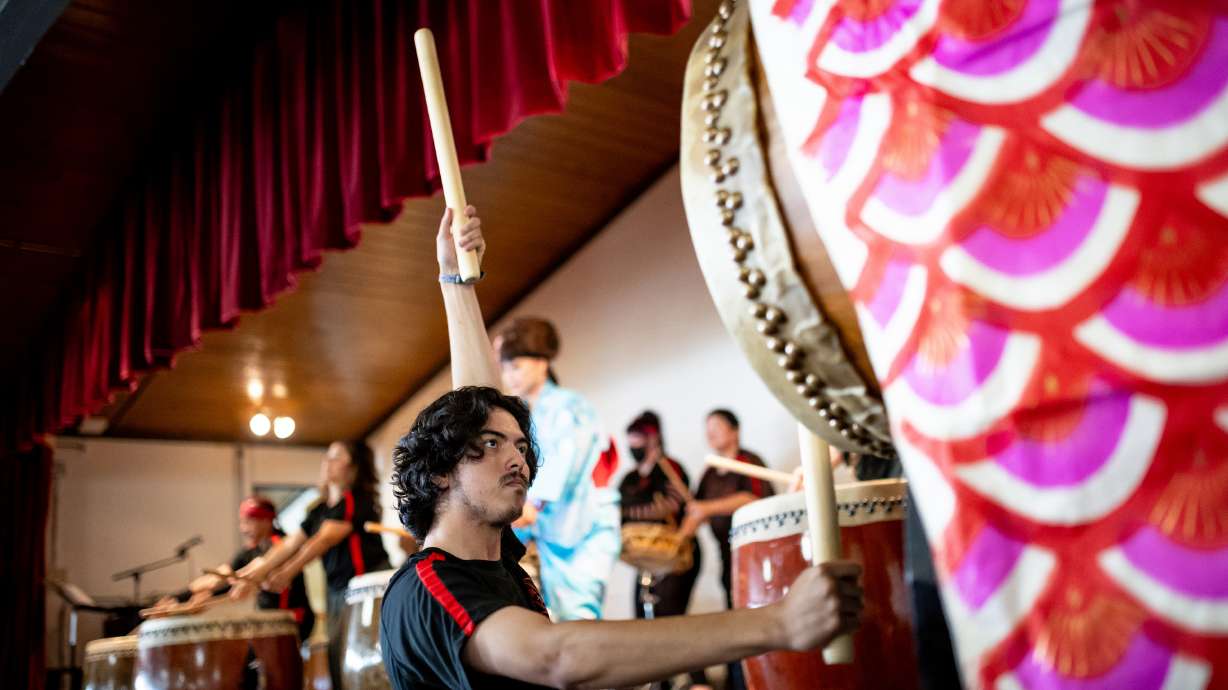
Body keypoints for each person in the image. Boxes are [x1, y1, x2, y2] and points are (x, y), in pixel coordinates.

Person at [378, 205, 863, 689]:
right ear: (440, 471)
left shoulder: (497, 562)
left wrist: (456, 281)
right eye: (491, 444)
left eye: (522, 446)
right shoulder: (430, 586)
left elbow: (477, 404)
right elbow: (558, 658)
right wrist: (778, 623)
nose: (519, 459)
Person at [232, 440, 391, 690]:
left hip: (368, 589)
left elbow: (323, 540)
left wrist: (287, 572)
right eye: (327, 455)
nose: (327, 461)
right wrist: (252, 575)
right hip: (338, 590)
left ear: (354, 467)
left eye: (337, 456)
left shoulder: (356, 501)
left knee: (368, 658)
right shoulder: (318, 510)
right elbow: (288, 544)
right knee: (338, 655)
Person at [494, 316, 621, 621]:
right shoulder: (527, 415)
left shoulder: (569, 405)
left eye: (516, 365)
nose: (509, 376)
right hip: (556, 531)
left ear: (541, 362)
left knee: (580, 615)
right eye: (504, 368)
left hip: (582, 526)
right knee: (563, 617)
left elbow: (567, 461)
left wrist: (533, 503)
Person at [680, 409, 776, 690]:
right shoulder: (709, 473)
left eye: (717, 426)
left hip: (756, 559)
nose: (710, 433)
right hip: (727, 559)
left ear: (735, 430)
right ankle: (738, 684)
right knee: (734, 623)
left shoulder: (749, 462)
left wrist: (706, 508)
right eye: (707, 427)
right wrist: (675, 543)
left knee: (756, 623)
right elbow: (695, 513)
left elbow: (751, 498)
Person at [619, 411, 707, 689]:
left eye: (637, 440)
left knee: (672, 618)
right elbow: (618, 511)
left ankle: (698, 681)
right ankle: (661, 682)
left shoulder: (671, 469)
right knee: (644, 621)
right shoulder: (629, 479)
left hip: (675, 553)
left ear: (652, 438)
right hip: (644, 558)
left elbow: (672, 504)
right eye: (630, 440)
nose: (633, 446)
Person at [157, 496, 315, 641]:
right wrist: (179, 598)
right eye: (242, 523)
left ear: (266, 521)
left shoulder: (279, 545)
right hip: (269, 621)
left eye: (248, 522)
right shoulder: (249, 551)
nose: (243, 529)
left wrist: (208, 595)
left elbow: (236, 579)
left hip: (292, 620)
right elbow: (219, 576)